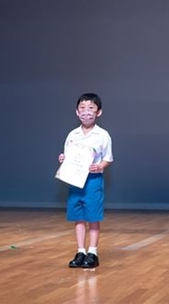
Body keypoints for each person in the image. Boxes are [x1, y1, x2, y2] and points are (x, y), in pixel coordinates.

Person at [58, 93, 113, 269]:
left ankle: (93, 252)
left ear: (99, 112)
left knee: (93, 217)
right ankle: (80, 251)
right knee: (78, 217)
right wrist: (63, 159)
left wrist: (100, 166)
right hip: (75, 180)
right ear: (77, 111)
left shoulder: (102, 135)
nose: (86, 112)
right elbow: (68, 156)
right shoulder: (72, 135)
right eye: (82, 108)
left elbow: (108, 158)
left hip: (93, 180)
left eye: (91, 108)